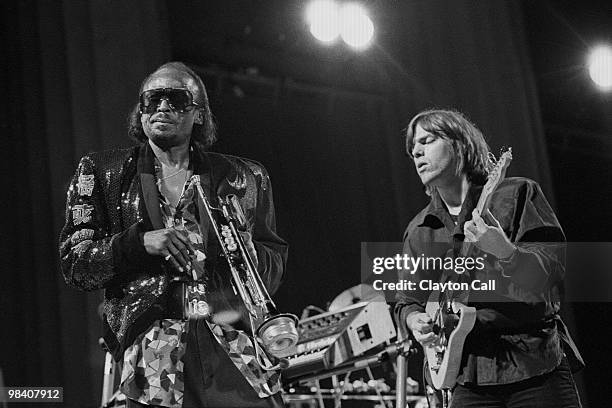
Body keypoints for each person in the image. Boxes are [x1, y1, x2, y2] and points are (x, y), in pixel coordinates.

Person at [59, 62, 288, 408]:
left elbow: (273, 258)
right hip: (152, 345)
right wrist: (139, 243)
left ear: (199, 115)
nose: (163, 106)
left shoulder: (245, 177)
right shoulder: (102, 171)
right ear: (141, 111)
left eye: (177, 99)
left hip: (231, 340)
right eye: (153, 99)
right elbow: (75, 262)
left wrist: (249, 257)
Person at [394, 109, 583, 407]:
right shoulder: (419, 230)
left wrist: (506, 252)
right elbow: (408, 300)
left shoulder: (516, 193)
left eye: (427, 140)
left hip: (534, 363)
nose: (416, 151)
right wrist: (413, 319)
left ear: (460, 144)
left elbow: (553, 275)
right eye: (412, 147)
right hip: (466, 375)